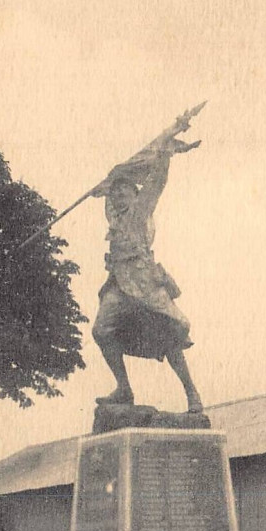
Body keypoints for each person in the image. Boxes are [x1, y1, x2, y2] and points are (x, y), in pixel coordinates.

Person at [91, 129, 203, 413]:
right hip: (118, 284)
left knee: (168, 337)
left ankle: (192, 393)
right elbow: (108, 196)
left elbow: (157, 183)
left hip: (144, 282)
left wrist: (165, 152)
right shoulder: (114, 217)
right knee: (102, 331)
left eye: (123, 192)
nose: (117, 197)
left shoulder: (141, 210)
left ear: (134, 194)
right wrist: (102, 189)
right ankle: (124, 389)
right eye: (114, 194)